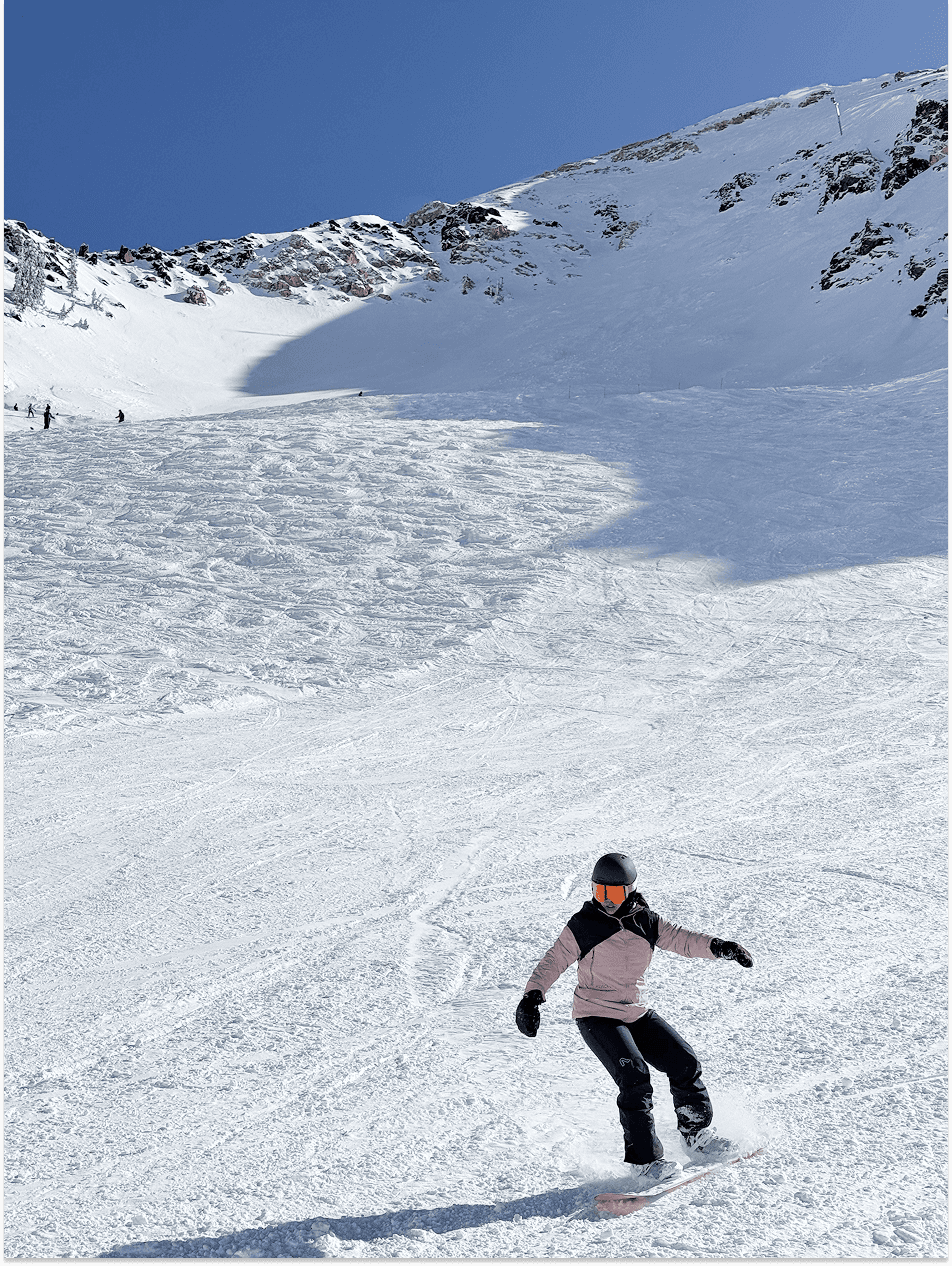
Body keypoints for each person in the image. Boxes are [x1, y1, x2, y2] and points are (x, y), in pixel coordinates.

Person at [516, 852, 754, 1192]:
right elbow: (554, 960)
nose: (606, 902)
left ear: (630, 890)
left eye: (613, 894)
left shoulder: (647, 921)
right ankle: (644, 1163)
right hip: (596, 1015)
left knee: (684, 1061)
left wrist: (720, 947)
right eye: (600, 893)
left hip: (635, 1012)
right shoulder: (584, 924)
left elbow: (683, 940)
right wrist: (532, 996)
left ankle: (696, 1134)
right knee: (634, 1078)